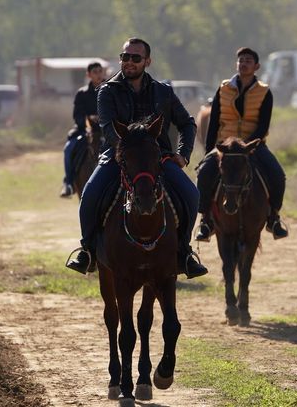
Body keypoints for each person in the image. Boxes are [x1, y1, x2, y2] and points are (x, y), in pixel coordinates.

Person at [66, 37, 208, 279]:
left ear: (147, 61)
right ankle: (87, 250)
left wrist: (183, 155)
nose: (129, 62)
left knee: (192, 194)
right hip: (117, 156)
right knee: (89, 194)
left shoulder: (163, 92)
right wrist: (126, 151)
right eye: (125, 57)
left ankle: (184, 252)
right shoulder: (107, 91)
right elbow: (109, 129)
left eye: (135, 57)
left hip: (158, 159)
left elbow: (187, 123)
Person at [195, 47, 288, 242]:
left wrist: (245, 146)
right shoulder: (223, 88)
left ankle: (273, 218)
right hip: (225, 146)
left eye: (248, 61)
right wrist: (209, 149)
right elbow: (214, 122)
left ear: (256, 66)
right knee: (204, 173)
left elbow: (263, 126)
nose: (243, 63)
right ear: (236, 64)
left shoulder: (264, 92)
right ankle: (206, 221)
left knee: (278, 175)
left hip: (253, 145)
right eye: (241, 60)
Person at [60, 62, 106, 198]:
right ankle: (68, 183)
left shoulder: (110, 89)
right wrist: (87, 120)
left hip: (108, 131)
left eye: (100, 71)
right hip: (86, 131)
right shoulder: (82, 93)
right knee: (68, 148)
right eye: (95, 72)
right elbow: (77, 115)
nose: (98, 74)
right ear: (88, 75)